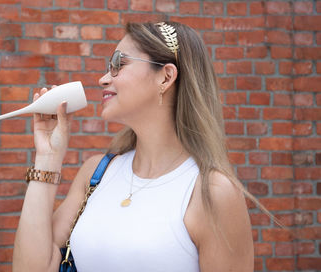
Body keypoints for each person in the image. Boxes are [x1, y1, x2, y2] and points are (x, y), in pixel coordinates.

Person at [13, 21, 256, 272]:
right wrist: (47, 157)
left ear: (166, 76)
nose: (103, 79)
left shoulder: (212, 191)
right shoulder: (96, 173)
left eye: (119, 63)